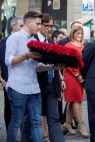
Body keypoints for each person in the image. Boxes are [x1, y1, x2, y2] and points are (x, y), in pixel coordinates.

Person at [5, 11, 43, 142]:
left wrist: (53, 67)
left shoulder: (34, 40)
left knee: (36, 122)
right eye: (38, 24)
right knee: (16, 122)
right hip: (17, 87)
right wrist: (26, 56)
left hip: (34, 88)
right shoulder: (14, 37)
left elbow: (35, 66)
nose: (40, 26)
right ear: (28, 22)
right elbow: (8, 61)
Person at [29, 13, 65, 142]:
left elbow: (54, 64)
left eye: (51, 26)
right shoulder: (31, 40)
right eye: (46, 25)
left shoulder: (50, 41)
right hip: (36, 85)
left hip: (52, 85)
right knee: (35, 118)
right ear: (39, 25)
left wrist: (60, 79)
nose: (49, 28)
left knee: (54, 118)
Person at [63, 26, 89, 137]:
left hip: (80, 75)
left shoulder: (83, 45)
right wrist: (78, 76)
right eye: (77, 33)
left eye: (81, 34)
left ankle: (67, 124)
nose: (80, 36)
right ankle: (81, 125)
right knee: (76, 100)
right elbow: (68, 63)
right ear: (72, 34)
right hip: (71, 76)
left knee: (73, 101)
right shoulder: (68, 46)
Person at [0, 16, 23, 132]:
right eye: (21, 26)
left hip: (25, 83)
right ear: (13, 26)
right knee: (9, 110)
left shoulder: (27, 41)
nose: (23, 28)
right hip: (9, 83)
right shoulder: (3, 42)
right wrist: (1, 79)